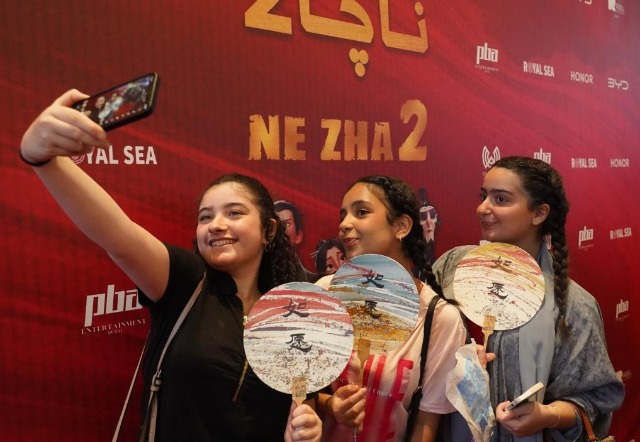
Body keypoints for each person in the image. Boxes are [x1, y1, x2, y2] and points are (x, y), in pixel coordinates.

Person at [19, 89, 322, 442]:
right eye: (205, 217)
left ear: (268, 230)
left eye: (234, 213)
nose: (216, 225)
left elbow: (301, 404)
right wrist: (43, 159)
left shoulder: (292, 311)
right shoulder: (184, 280)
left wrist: (305, 429)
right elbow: (117, 234)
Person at [432, 156, 624, 441]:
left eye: (500, 199)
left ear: (539, 213)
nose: (483, 208)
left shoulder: (572, 304)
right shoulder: (451, 269)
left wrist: (547, 415)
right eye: (484, 196)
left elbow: (596, 399)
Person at [315, 176, 468, 442]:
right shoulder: (326, 292)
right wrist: (330, 405)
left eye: (361, 212)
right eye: (343, 215)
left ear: (401, 226)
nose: (344, 224)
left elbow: (426, 423)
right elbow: (297, 392)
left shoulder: (438, 318)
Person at [275, 199, 318, 282]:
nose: (280, 228)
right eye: (276, 224)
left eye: (286, 224)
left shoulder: (314, 283)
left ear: (298, 236)